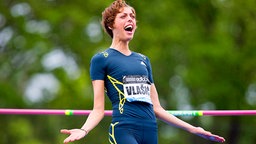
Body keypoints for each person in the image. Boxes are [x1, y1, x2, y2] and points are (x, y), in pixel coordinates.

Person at [60, 0, 225, 143]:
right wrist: (83, 130)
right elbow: (98, 109)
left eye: (132, 16)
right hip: (124, 129)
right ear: (111, 25)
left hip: (150, 130)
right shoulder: (101, 59)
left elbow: (158, 109)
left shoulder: (144, 60)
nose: (130, 18)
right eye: (123, 16)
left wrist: (192, 129)